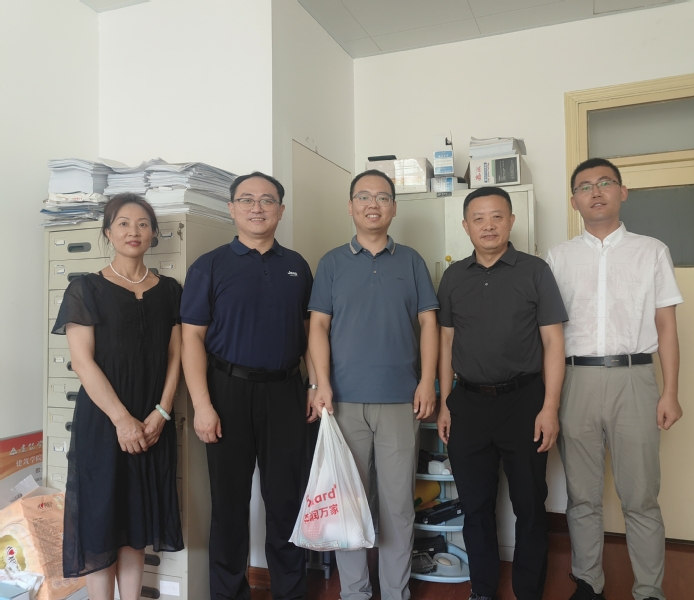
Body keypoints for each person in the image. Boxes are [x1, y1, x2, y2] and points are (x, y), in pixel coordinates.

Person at [546, 158, 684, 600]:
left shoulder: (652, 251)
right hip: (575, 381)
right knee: (582, 496)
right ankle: (588, 583)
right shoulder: (557, 257)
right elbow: (548, 334)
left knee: (640, 496)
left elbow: (666, 327)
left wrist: (670, 392)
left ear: (622, 192)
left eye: (605, 183)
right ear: (574, 201)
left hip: (635, 379)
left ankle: (649, 590)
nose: (596, 191)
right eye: (585, 186)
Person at [180, 172, 316, 600]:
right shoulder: (209, 265)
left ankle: (290, 592)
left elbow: (310, 333)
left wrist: (314, 385)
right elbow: (191, 338)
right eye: (247, 199)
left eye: (267, 200)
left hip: (286, 392)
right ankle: (228, 593)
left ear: (281, 210)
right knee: (229, 504)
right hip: (227, 392)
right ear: (232, 208)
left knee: (286, 500)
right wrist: (202, 405)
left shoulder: (297, 265)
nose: (257, 208)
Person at [308, 169, 439, 600]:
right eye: (363, 196)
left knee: (398, 506)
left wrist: (427, 381)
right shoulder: (331, 263)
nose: (373, 204)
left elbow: (429, 323)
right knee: (348, 502)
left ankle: (395, 592)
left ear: (394, 208)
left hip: (401, 400)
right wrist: (320, 384)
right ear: (350, 206)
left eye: (382, 197)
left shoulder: (412, 261)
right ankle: (355, 593)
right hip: (343, 402)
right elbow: (318, 327)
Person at [437, 186, 568, 600]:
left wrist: (550, 407)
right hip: (468, 404)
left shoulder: (535, 271)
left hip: (525, 402)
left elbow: (554, 342)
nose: (488, 225)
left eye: (497, 216)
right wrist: (445, 403)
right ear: (465, 226)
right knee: (475, 505)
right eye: (478, 218)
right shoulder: (453, 276)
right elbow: (445, 342)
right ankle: (483, 589)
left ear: (511, 221)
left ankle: (528, 591)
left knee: (529, 504)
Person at [53, 193, 184, 600]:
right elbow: (83, 362)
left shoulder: (170, 291)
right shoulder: (85, 288)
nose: (133, 231)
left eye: (143, 224)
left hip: (152, 421)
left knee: (135, 522)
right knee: (101, 522)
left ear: (154, 233)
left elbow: (176, 354)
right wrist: (122, 420)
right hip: (104, 420)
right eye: (123, 223)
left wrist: (162, 412)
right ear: (108, 232)